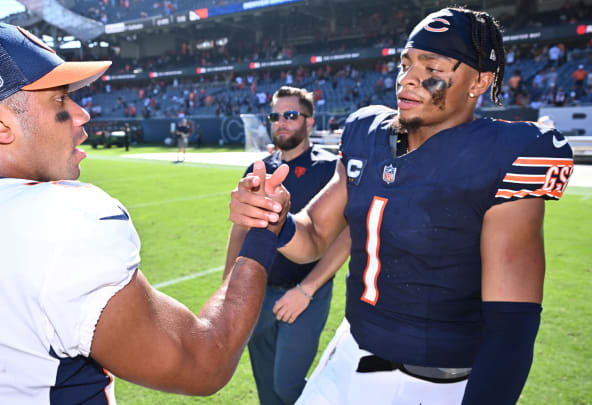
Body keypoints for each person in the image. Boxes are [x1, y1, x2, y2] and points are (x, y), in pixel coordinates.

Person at [0, 22, 290, 404]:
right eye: (61, 100)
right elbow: (204, 361)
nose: (82, 114)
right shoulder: (59, 220)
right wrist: (261, 234)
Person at [229, 7, 574, 405]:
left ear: (479, 81)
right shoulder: (368, 133)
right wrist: (275, 219)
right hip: (349, 354)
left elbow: (511, 327)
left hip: (434, 384)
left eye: (431, 66)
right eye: (406, 63)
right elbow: (315, 235)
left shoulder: (505, 156)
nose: (407, 77)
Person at [223, 86, 351, 405]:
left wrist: (306, 290)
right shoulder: (258, 170)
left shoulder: (330, 169)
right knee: (268, 392)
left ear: (309, 122)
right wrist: (228, 289)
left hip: (305, 293)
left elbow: (348, 236)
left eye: (291, 115)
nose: (281, 122)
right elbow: (240, 231)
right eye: (275, 116)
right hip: (259, 291)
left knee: (288, 387)